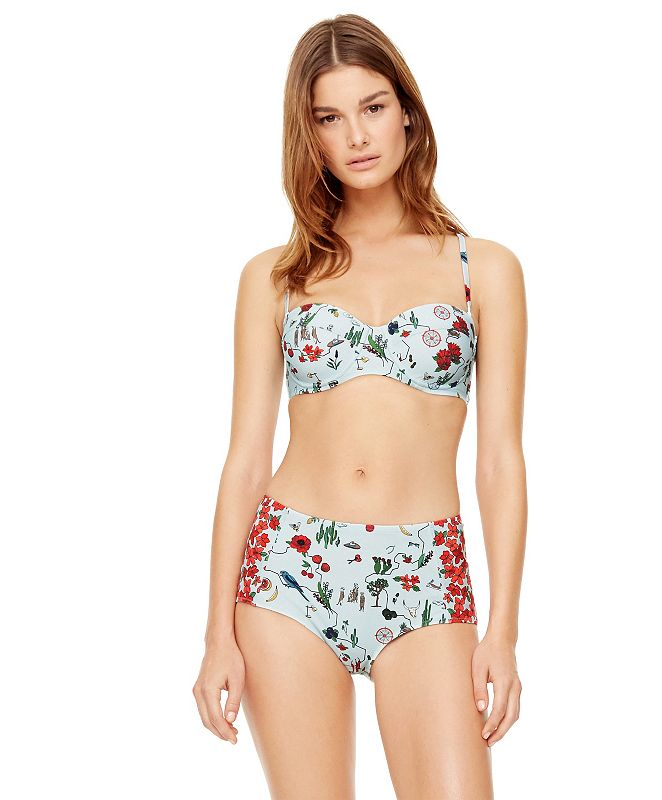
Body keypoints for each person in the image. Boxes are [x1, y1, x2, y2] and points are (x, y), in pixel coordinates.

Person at [193, 13, 527, 800]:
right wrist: (215, 636)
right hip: (289, 571)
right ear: (308, 135)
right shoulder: (275, 277)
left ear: (407, 110)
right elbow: (245, 459)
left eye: (373, 107)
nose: (357, 135)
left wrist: (503, 633)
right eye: (329, 117)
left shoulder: (485, 270)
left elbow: (500, 461)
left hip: (426, 573)